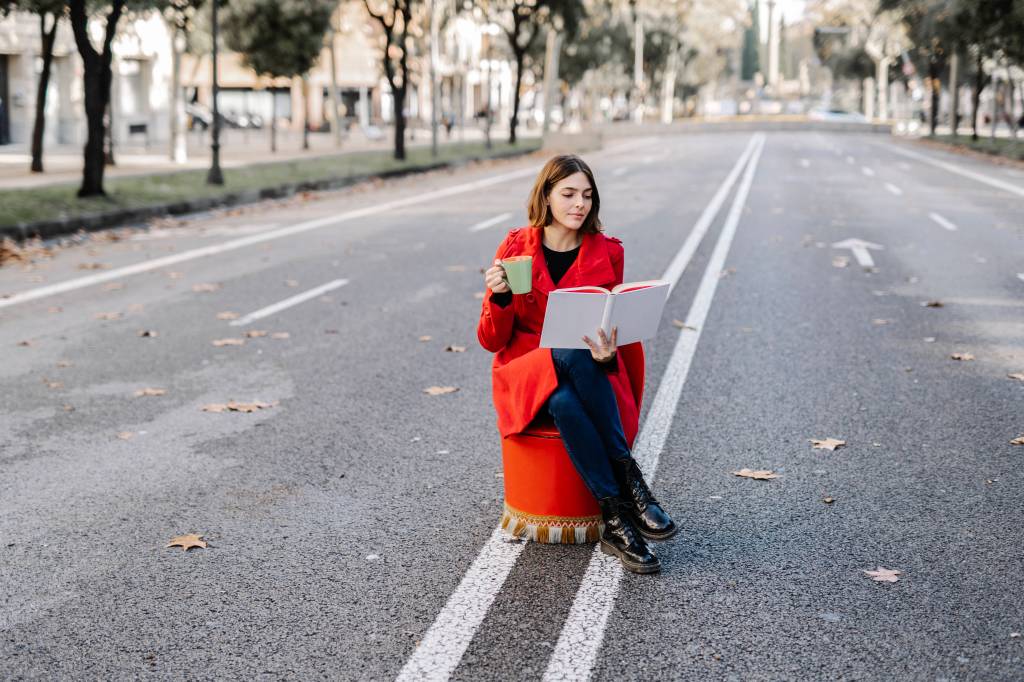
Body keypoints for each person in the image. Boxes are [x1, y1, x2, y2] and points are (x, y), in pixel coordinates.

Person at [476, 154, 676, 574]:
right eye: (567, 194)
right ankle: (631, 483)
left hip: (585, 370)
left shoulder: (608, 252)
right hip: (524, 371)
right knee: (564, 349)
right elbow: (491, 340)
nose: (579, 204)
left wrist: (609, 352)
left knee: (567, 398)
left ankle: (615, 520)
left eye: (587, 195)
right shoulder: (517, 249)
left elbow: (609, 321)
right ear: (546, 197)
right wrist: (499, 297)